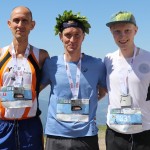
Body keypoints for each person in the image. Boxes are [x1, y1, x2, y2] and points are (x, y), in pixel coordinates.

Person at [40, 10, 107, 150]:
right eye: (68, 35)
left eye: (77, 35)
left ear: (83, 37)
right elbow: (36, 89)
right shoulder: (51, 64)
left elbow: (103, 91)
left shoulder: (97, 65)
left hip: (86, 135)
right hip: (56, 135)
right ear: (60, 37)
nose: (72, 40)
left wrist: (89, 103)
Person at [0, 6, 49, 150]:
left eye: (24, 21)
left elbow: (46, 81)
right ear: (9, 24)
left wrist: (33, 91)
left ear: (32, 25)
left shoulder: (41, 56)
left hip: (30, 126)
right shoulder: (1, 54)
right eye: (16, 20)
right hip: (3, 124)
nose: (20, 25)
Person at [105, 11, 150, 150]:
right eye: (117, 31)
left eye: (127, 30)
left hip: (144, 131)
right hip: (115, 132)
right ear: (111, 32)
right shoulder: (108, 59)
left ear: (135, 30)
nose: (122, 36)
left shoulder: (148, 58)